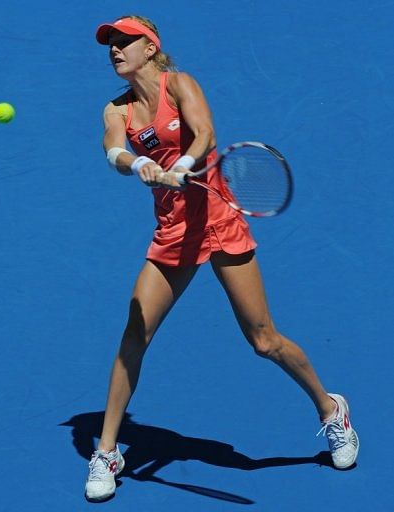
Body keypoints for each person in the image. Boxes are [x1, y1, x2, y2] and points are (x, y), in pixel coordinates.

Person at [85, 15, 359, 502]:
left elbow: (205, 133)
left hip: (218, 222)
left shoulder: (181, 83)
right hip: (174, 234)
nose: (114, 49)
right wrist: (142, 163)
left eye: (124, 41)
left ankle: (330, 408)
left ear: (150, 48)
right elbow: (112, 150)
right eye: (110, 42)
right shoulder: (117, 110)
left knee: (263, 341)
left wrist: (182, 166)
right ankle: (107, 450)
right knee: (135, 331)